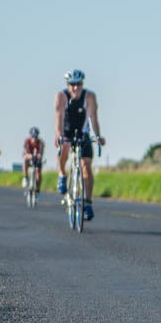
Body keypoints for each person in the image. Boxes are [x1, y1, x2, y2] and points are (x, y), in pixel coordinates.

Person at [54, 69, 105, 220]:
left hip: (83, 133)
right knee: (64, 147)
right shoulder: (61, 97)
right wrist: (59, 135)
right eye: (72, 84)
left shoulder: (89, 96)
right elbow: (59, 118)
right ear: (68, 85)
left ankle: (88, 203)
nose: (76, 87)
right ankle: (62, 174)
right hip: (67, 131)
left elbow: (93, 118)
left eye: (79, 84)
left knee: (87, 167)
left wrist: (97, 136)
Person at [22, 127, 45, 191]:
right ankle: (25, 177)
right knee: (25, 161)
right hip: (29, 158)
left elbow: (41, 153)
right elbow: (25, 153)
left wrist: (39, 156)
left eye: (35, 137)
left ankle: (37, 190)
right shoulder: (27, 141)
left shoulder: (41, 143)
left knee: (38, 173)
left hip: (37, 159)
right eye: (33, 136)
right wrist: (31, 156)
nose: (34, 139)